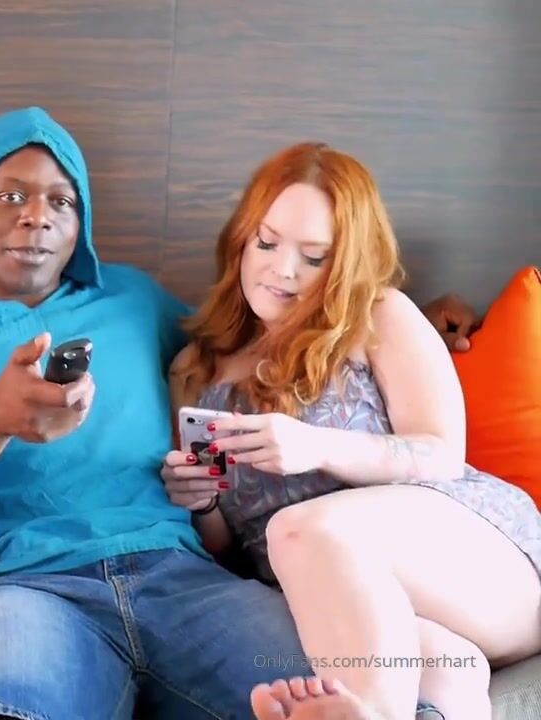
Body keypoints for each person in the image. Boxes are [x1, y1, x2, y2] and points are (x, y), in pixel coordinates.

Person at [0, 107, 325, 720]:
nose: (37, 215)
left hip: (184, 579)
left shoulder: (133, 298)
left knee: (342, 693)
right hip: (13, 588)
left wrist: (395, 327)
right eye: (10, 195)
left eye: (62, 202)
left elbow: (253, 346)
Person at [162, 142, 541, 719]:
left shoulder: (378, 316)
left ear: (346, 262)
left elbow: (442, 454)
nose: (282, 270)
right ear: (241, 238)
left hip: (477, 566)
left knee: (299, 528)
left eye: (314, 257)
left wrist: (314, 446)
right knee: (447, 676)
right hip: (356, 606)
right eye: (266, 242)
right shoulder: (196, 371)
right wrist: (202, 502)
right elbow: (226, 548)